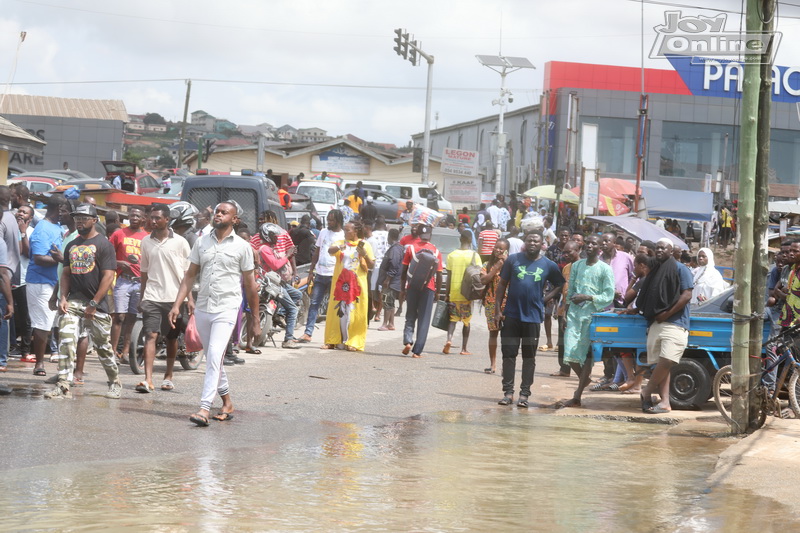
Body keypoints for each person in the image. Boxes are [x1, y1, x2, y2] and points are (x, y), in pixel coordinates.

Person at [169, 201, 261, 426]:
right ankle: (227, 402)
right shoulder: (202, 242)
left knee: (213, 356)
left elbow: (250, 284)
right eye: (217, 212)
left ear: (234, 219)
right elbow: (190, 275)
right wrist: (176, 304)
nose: (218, 215)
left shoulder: (242, 247)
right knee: (214, 359)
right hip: (203, 308)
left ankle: (203, 408)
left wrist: (255, 320)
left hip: (227, 308)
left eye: (224, 212)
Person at [45, 203, 120, 400]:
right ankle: (63, 384)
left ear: (94, 221)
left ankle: (114, 382)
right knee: (66, 337)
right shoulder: (72, 245)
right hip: (74, 302)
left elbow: (108, 277)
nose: (79, 221)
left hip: (97, 305)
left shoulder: (104, 245)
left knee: (104, 348)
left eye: (83, 218)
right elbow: (66, 274)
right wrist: (62, 297)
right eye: (77, 218)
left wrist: (94, 304)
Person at [494, 231, 564, 407]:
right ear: (525, 242)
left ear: (542, 244)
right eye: (529, 240)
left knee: (528, 357)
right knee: (508, 354)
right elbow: (502, 284)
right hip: (511, 315)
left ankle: (524, 394)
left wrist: (544, 300)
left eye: (536, 240)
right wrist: (497, 310)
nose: (532, 242)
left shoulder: (548, 265)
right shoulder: (513, 260)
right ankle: (508, 393)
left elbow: (560, 284)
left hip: (532, 318)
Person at [136, 203, 192, 393]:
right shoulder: (145, 242)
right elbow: (144, 272)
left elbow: (187, 274)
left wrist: (189, 299)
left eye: (157, 218)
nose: (153, 221)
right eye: (151, 218)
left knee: (171, 338)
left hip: (175, 298)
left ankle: (168, 376)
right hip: (152, 296)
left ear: (167, 220)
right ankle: (147, 379)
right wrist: (142, 297)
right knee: (150, 335)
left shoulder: (181, 242)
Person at [556, 235, 615, 408]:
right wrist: (564, 314)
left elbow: (608, 295)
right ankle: (585, 379)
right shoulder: (577, 266)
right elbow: (571, 289)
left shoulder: (605, 269)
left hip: (593, 317)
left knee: (587, 357)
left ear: (599, 248)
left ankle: (577, 396)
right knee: (570, 353)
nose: (589, 246)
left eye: (593, 244)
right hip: (574, 315)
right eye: (587, 243)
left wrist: (588, 297)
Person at [636, 238, 693, 414]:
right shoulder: (655, 270)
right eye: (658, 247)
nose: (660, 250)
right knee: (661, 364)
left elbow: (686, 295)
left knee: (668, 359)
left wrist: (666, 314)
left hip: (675, 324)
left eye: (663, 248)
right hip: (655, 323)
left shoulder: (681, 269)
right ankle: (665, 402)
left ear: (671, 251)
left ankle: (647, 391)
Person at [24, 197, 64, 376]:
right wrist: (63, 261)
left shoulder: (58, 227)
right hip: (40, 282)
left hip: (55, 283)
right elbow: (39, 258)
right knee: (42, 324)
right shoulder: (42, 228)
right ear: (59, 208)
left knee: (55, 324)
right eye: (65, 210)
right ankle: (39, 363)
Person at [321, 221, 374, 351]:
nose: (345, 232)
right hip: (340, 283)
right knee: (336, 312)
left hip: (357, 285)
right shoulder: (341, 243)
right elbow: (330, 250)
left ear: (355, 231)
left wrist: (364, 254)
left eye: (348, 230)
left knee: (356, 312)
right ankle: (332, 340)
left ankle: (354, 341)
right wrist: (340, 247)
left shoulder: (365, 244)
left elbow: (372, 265)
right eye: (344, 230)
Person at [108, 207, 147, 364]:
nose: (134, 218)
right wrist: (119, 263)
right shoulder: (119, 234)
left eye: (137, 215)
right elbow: (106, 255)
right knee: (119, 316)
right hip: (123, 280)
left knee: (132, 318)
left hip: (139, 282)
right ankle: (112, 351)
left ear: (143, 218)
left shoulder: (147, 237)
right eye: (132, 215)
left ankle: (125, 352)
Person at [299, 210, 345, 343]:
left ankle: (335, 335)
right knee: (314, 303)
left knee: (334, 305)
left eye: (332, 220)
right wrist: (311, 270)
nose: (329, 222)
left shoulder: (343, 235)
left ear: (338, 221)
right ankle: (308, 333)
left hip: (334, 275)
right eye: (328, 220)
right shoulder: (323, 232)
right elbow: (317, 251)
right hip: (320, 273)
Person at [400, 224, 443, 358]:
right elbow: (439, 274)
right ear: (430, 235)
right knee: (424, 319)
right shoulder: (436, 251)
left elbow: (404, 271)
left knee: (410, 314)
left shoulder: (411, 249)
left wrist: (402, 288)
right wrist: (437, 292)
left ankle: (408, 341)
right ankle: (417, 351)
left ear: (418, 234)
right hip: (428, 288)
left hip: (412, 286)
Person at [259, 223, 302, 349]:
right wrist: (287, 255)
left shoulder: (271, 249)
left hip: (278, 282)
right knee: (293, 309)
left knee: (298, 294)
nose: (277, 238)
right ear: (267, 236)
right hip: (271, 284)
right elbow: (275, 265)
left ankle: (279, 314)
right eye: (274, 236)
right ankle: (288, 339)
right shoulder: (264, 249)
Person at [443, 231, 478, 355]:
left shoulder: (452, 255)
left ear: (460, 240)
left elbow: (449, 276)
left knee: (452, 319)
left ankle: (449, 340)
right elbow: (478, 275)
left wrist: (447, 294)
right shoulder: (474, 255)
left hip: (454, 292)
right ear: (470, 241)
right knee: (466, 321)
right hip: (467, 294)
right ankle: (464, 348)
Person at [552, 240, 581, 378]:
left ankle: (581, 371)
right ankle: (564, 369)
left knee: (576, 341)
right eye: (564, 252)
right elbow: (563, 287)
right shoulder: (566, 268)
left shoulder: (584, 267)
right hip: (563, 308)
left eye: (569, 252)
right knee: (563, 340)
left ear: (578, 250)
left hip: (578, 311)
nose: (566, 255)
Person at [480, 238, 509, 374]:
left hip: (508, 302)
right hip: (491, 302)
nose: (497, 250)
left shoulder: (510, 264)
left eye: (501, 249)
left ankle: (506, 365)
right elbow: (483, 280)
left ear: (506, 250)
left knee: (507, 335)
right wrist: (496, 267)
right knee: (493, 333)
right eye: (496, 248)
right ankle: (493, 365)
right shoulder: (487, 264)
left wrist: (505, 263)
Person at [0, 186, 20, 373]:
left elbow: (1, 270)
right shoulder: (12, 218)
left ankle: (1, 360)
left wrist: (10, 301)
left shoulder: (2, 221)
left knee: (3, 318)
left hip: (3, 277)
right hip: (9, 273)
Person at [12, 204, 33, 361]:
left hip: (24, 280)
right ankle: (11, 346)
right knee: (9, 315)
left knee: (25, 316)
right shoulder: (9, 228)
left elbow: (27, 252)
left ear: (30, 218)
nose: (20, 214)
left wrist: (23, 233)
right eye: (19, 211)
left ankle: (25, 351)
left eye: (24, 213)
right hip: (9, 278)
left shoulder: (31, 232)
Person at [377, 228, 403, 332]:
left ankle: (384, 324)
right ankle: (391, 323)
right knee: (391, 302)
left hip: (392, 281)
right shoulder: (397, 248)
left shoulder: (395, 250)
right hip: (394, 281)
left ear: (390, 237)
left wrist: (387, 279)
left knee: (387, 301)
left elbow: (394, 265)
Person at [367, 218, 389, 322]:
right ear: (384, 225)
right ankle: (378, 314)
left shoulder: (373, 235)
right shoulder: (388, 234)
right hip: (384, 265)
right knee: (381, 290)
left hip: (374, 264)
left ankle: (372, 307)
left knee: (371, 288)